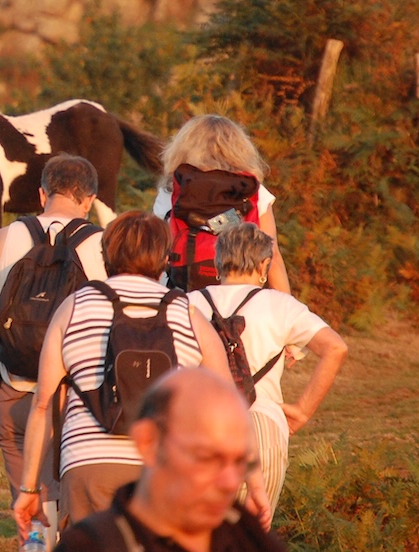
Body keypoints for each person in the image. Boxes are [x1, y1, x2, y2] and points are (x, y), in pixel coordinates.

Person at [25, 369, 341, 552]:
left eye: (239, 462)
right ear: (148, 442)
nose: (230, 482)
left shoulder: (249, 541)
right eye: (207, 458)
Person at [13, 212, 258, 534]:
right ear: (162, 258)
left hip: (88, 464)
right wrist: (256, 487)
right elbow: (230, 405)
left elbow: (43, 404)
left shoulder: (74, 306)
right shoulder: (186, 311)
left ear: (107, 254)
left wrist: (29, 489)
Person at [0, 154, 107, 513]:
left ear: (41, 194)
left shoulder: (3, 239)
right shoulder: (103, 246)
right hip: (75, 399)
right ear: (89, 201)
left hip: (14, 397)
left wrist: (5, 343)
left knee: (32, 520)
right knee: (74, 521)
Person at [194, 223, 347, 513]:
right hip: (262, 425)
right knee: (252, 546)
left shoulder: (188, 303)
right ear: (265, 264)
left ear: (217, 262)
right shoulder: (281, 305)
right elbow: (335, 348)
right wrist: (303, 410)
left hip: (201, 429)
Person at [153, 114, 291, 293]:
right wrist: (288, 309)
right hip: (241, 296)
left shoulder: (171, 190)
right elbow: (273, 257)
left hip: (181, 294)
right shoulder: (252, 191)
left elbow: (157, 252)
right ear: (239, 149)